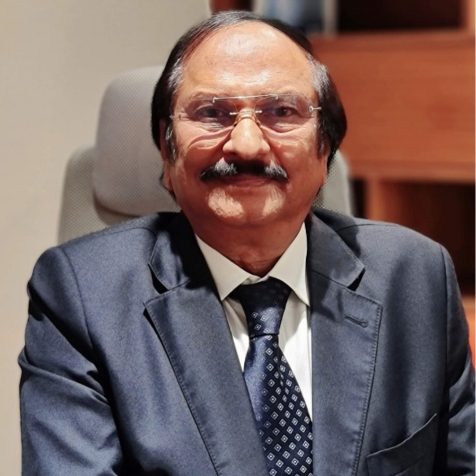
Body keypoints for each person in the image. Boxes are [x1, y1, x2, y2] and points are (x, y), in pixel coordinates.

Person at [19, 11, 474, 476]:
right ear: (167, 149)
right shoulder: (81, 297)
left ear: (325, 149)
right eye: (211, 113)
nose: (247, 145)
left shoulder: (416, 278)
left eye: (281, 112)